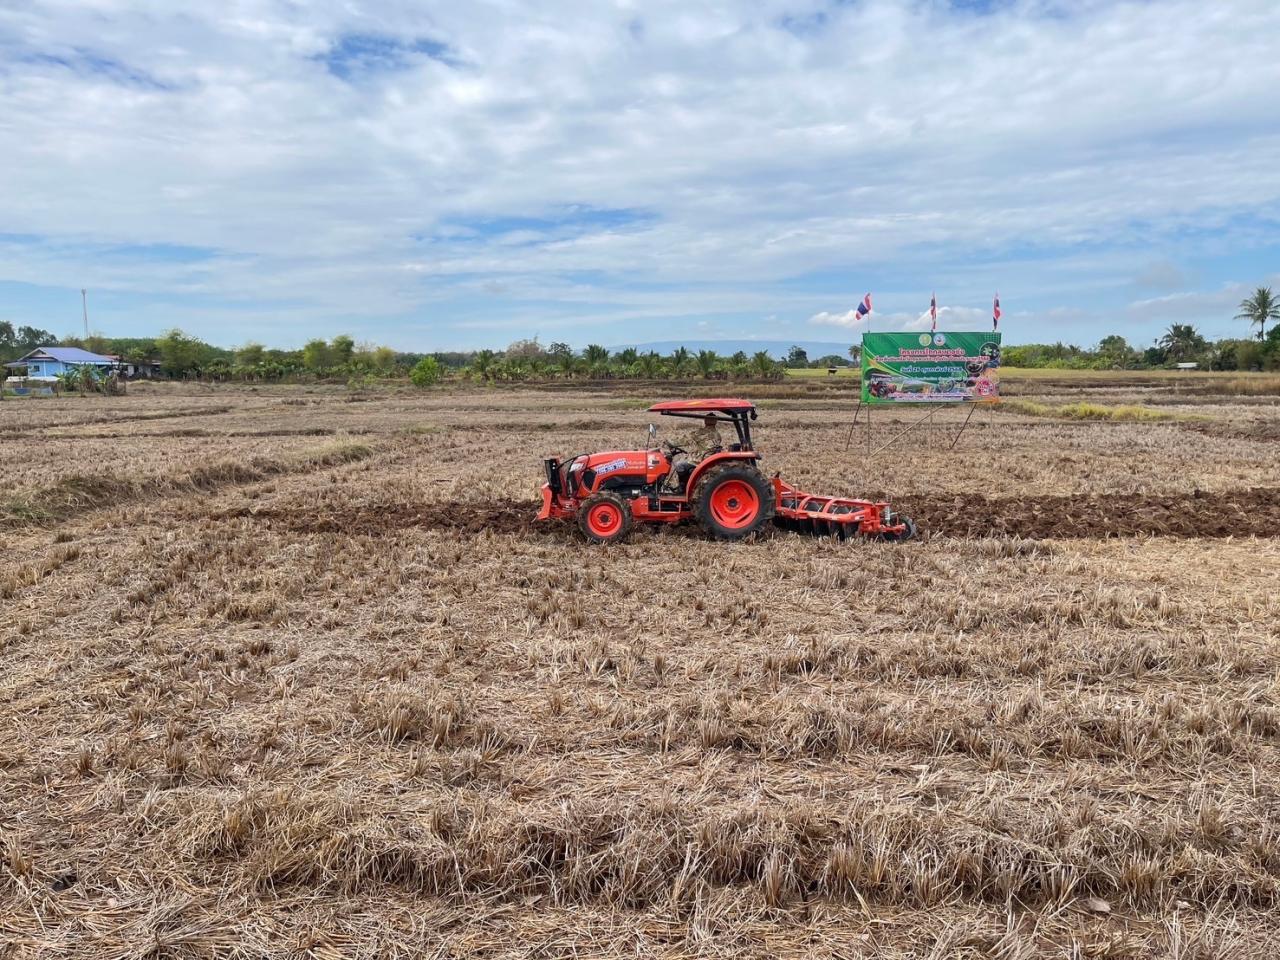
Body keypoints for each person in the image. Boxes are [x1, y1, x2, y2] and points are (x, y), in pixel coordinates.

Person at [665, 414, 722, 491]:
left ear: (705, 421)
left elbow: (684, 440)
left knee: (679, 465)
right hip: (710, 460)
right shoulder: (718, 435)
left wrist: (670, 442)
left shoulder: (701, 433)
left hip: (701, 460)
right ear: (716, 422)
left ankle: (682, 488)